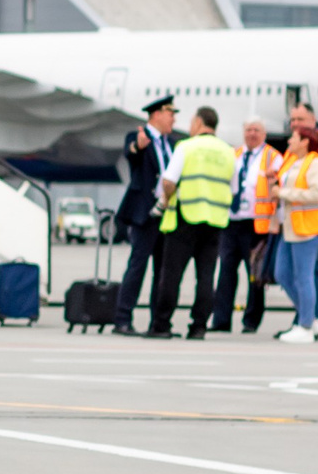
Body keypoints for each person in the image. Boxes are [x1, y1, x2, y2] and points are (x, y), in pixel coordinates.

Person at [155, 106, 234, 339]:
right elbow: (235, 187)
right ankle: (198, 327)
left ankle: (162, 324)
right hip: (215, 221)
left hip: (186, 217)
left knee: (171, 275)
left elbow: (168, 181)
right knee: (206, 277)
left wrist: (165, 200)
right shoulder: (229, 152)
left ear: (199, 122)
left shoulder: (186, 147)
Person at [109, 98, 177, 336]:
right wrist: (138, 146)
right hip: (144, 213)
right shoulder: (138, 136)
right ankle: (122, 319)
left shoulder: (171, 144)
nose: (174, 119)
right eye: (170, 113)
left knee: (162, 271)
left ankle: (157, 323)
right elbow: (131, 153)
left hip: (165, 214)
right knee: (137, 266)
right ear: (156, 114)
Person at [210, 117, 279, 333]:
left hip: (256, 224)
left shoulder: (272, 157)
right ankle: (221, 320)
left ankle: (251, 321)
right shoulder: (235, 155)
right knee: (226, 272)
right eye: (248, 130)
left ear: (264, 134)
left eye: (256, 130)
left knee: (254, 276)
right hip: (232, 221)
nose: (252, 134)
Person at [271, 127, 318, 342]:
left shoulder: (315, 163)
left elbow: (316, 194)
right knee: (282, 273)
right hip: (290, 227)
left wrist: (284, 193)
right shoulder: (293, 162)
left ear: (305, 141)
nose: (290, 140)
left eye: (294, 137)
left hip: (307, 229)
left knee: (304, 277)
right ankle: (311, 317)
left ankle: (306, 325)